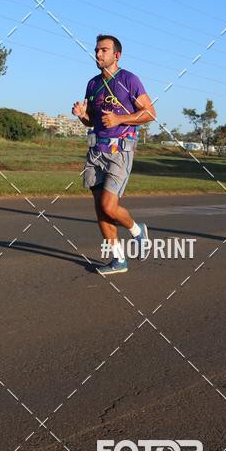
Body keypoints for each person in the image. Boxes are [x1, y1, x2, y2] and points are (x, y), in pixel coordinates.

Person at [72, 35, 156, 275]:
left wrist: (120, 118)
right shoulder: (92, 84)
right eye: (97, 50)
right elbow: (92, 121)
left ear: (116, 55)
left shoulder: (129, 80)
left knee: (109, 206)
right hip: (96, 151)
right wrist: (80, 114)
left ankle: (137, 230)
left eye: (103, 50)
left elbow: (150, 113)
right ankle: (118, 260)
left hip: (120, 150)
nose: (98, 54)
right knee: (100, 209)